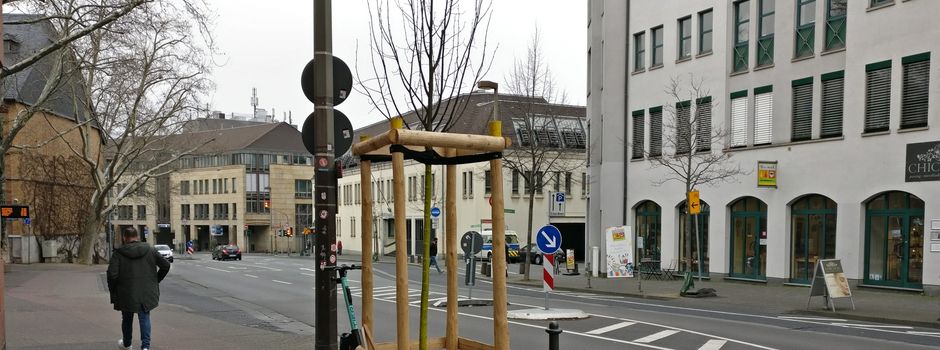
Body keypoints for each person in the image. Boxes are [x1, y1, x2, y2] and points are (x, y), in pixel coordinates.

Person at [108, 227, 171, 350]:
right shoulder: (150, 250)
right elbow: (166, 265)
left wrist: (114, 289)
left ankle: (127, 344)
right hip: (146, 292)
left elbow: (112, 275)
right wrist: (156, 280)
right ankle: (145, 347)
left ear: (124, 238)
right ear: (137, 237)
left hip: (126, 292)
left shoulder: (118, 254)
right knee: (145, 317)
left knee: (126, 318)